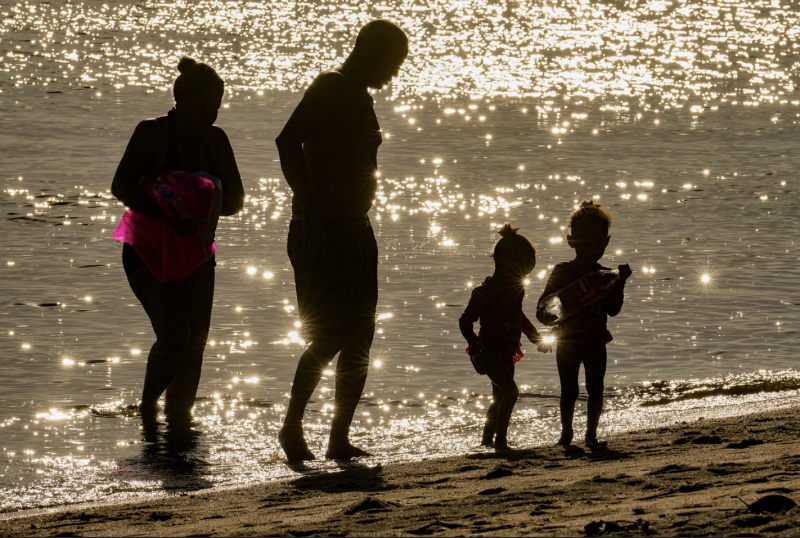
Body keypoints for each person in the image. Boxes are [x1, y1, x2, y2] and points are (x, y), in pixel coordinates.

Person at [275, 20, 408, 461]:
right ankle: (292, 427)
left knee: (360, 335)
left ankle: (338, 436)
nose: (394, 74)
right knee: (330, 333)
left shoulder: (359, 96)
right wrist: (310, 209)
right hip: (322, 227)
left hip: (355, 226)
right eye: (393, 63)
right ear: (371, 53)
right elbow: (287, 140)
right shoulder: (332, 86)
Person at [111, 57, 245, 427]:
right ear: (180, 102)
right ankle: (148, 413)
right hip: (148, 248)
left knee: (196, 340)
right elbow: (120, 186)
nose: (212, 114)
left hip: (197, 251)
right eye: (205, 107)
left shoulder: (216, 141)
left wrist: (201, 194)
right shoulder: (150, 133)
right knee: (174, 335)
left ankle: (180, 418)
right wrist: (168, 208)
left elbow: (235, 201)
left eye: (217, 106)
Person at [536, 200, 631, 449]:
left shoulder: (606, 277)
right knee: (569, 392)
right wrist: (545, 326)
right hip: (567, 342)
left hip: (596, 340)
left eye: (598, 242)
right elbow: (545, 307)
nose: (593, 248)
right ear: (571, 241)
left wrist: (621, 282)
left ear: (607, 242)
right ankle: (566, 433)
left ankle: (591, 434)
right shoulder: (561, 272)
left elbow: (613, 309)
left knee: (595, 390)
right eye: (586, 241)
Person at [459, 223, 552, 450]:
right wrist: (474, 344)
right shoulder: (483, 292)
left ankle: (487, 440)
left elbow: (517, 314)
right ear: (502, 263)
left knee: (499, 396)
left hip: (507, 350)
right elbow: (465, 321)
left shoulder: (516, 288)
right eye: (522, 269)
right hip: (488, 351)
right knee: (510, 392)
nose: (524, 275)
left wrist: (535, 336)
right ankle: (500, 441)